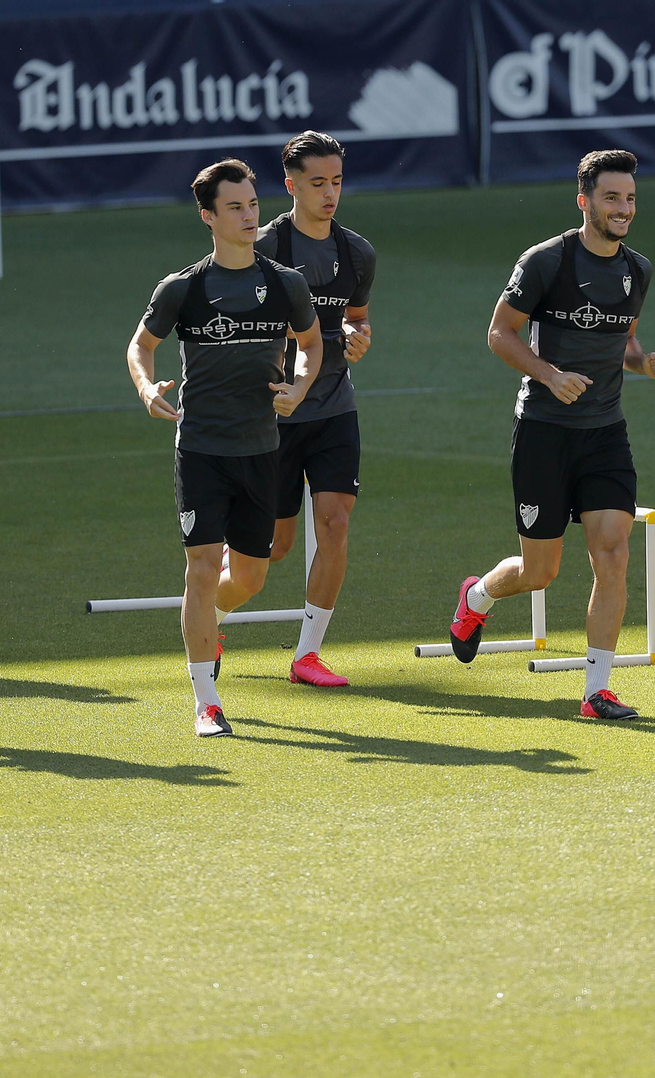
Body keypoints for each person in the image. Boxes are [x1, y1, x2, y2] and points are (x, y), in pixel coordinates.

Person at [446, 149, 655, 720]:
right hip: (544, 431)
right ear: (585, 201)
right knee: (540, 571)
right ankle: (476, 597)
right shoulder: (547, 261)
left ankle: (596, 691)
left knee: (613, 554)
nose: (624, 208)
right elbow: (499, 332)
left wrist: (644, 364)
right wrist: (549, 374)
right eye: (612, 197)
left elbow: (624, 342)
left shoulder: (637, 270)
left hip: (605, 434)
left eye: (631, 198)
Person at [128, 158, 321, 738]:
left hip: (262, 450)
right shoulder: (184, 288)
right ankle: (206, 701)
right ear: (208, 217)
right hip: (202, 449)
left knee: (253, 577)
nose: (248, 216)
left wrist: (301, 384)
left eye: (253, 205)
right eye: (234, 207)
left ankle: (208, 624)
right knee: (202, 566)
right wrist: (145, 387)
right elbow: (140, 346)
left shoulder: (285, 284)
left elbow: (311, 345)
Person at [252, 131, 376, 688]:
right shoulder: (262, 249)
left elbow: (356, 315)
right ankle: (208, 615)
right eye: (318, 183)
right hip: (273, 414)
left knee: (336, 523)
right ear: (290, 185)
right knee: (273, 548)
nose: (331, 194)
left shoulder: (356, 252)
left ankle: (307, 654)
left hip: (333, 409)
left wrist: (357, 334)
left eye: (338, 182)